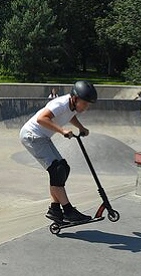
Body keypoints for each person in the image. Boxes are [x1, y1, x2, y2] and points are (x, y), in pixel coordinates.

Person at [19, 80, 98, 225]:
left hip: (42, 137)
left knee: (63, 169)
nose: (86, 107)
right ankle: (68, 211)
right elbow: (41, 118)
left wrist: (81, 127)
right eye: (84, 104)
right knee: (57, 170)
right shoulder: (60, 104)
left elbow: (69, 115)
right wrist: (62, 131)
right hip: (32, 136)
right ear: (75, 98)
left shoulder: (71, 106)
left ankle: (55, 209)